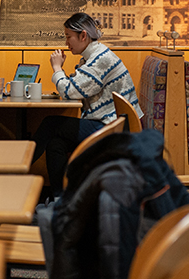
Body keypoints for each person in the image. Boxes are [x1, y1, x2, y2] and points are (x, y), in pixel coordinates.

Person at [31, 13, 142, 198]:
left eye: (68, 37)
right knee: (55, 143)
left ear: (83, 36)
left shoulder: (101, 59)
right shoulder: (93, 57)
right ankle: (61, 199)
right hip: (111, 124)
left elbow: (69, 91)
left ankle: (19, 167)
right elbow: (76, 88)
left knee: (51, 124)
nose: (67, 43)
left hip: (113, 128)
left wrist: (57, 68)